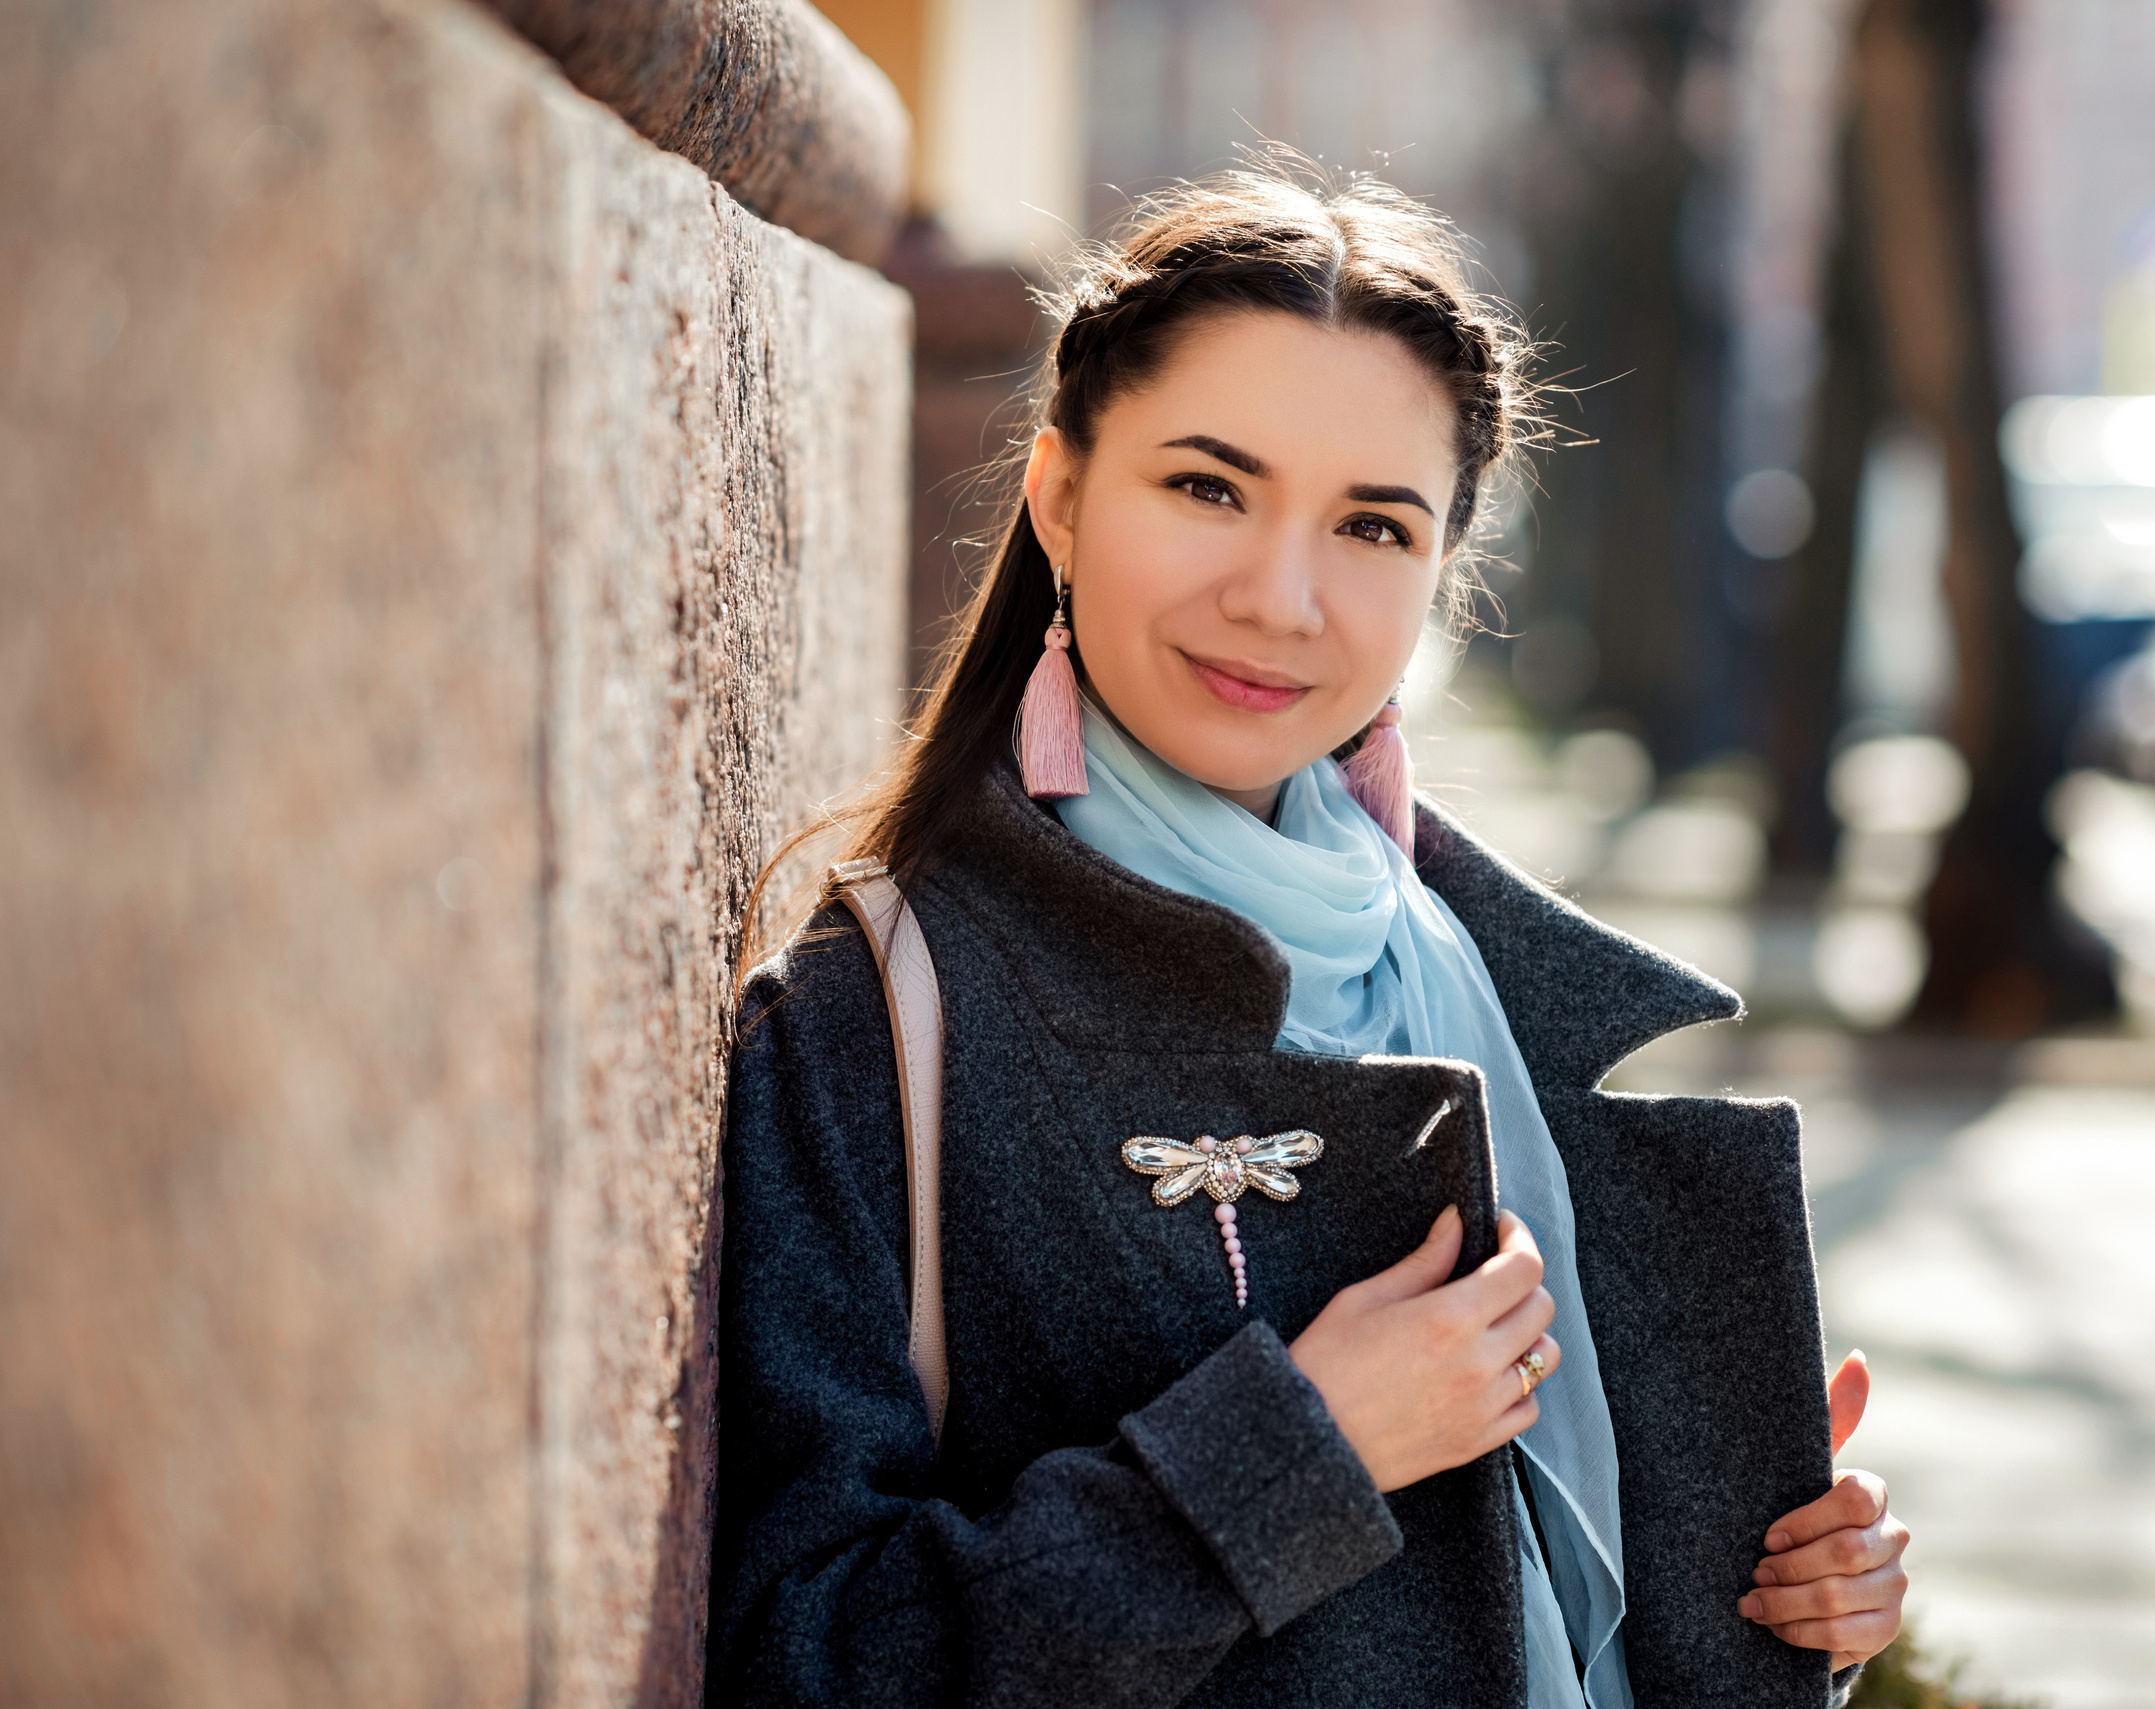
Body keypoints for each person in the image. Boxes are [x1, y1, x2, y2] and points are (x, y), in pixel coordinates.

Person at [709, 164, 1910, 1708]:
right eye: (1208, 487)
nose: (1282, 597)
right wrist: (1297, 1452)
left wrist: (1798, 1604)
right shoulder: (878, 1007)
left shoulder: (1482, 980)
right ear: (1060, 494)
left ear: (1440, 572)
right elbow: (810, 1657)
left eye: (1373, 526)